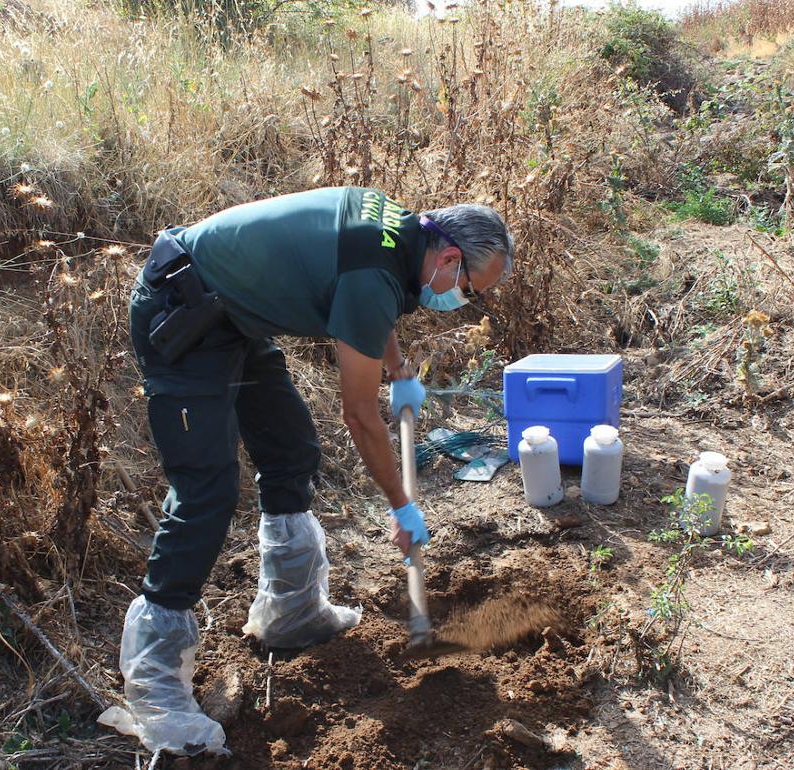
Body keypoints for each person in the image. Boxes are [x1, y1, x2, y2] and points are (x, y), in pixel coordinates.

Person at [97, 187, 514, 755]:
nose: (463, 301)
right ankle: (154, 688)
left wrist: (396, 368)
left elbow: (377, 303)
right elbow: (359, 415)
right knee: (207, 492)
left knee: (290, 452)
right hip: (182, 315)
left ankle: (290, 612)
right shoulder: (378, 271)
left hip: (231, 317)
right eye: (469, 290)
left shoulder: (401, 235)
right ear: (448, 259)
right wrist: (402, 504)